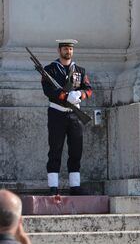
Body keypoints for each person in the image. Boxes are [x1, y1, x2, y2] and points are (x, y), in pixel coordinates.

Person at [41, 39, 92, 196]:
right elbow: (47, 90)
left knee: (76, 150)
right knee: (55, 149)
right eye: (65, 49)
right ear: (59, 51)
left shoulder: (80, 71)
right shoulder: (50, 69)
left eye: (70, 49)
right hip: (57, 113)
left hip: (74, 116)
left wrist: (80, 95)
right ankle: (53, 187)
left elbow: (89, 89)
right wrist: (64, 96)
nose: (68, 51)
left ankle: (75, 186)